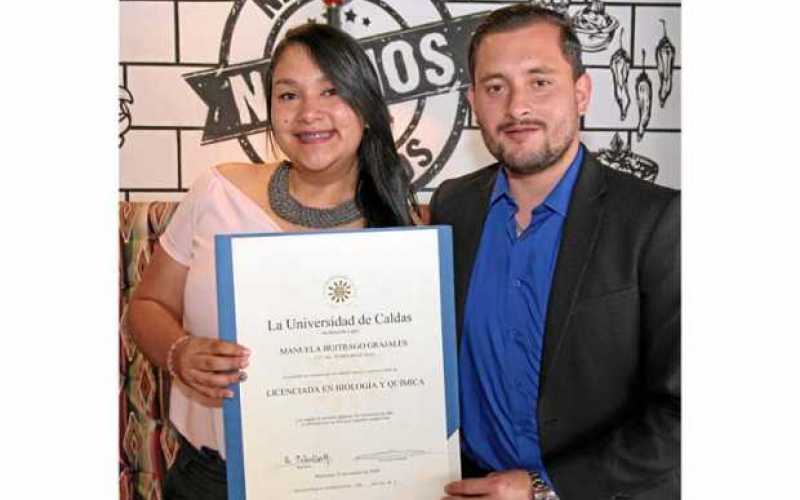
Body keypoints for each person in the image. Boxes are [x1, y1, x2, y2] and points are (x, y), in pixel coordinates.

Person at [128, 23, 416, 500]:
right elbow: (147, 304)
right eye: (288, 95)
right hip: (215, 477)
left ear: (366, 109)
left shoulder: (400, 229)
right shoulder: (217, 191)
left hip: (355, 479)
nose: (309, 113)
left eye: (332, 91)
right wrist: (179, 353)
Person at [432, 5, 679, 500]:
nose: (517, 107)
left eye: (540, 82)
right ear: (472, 101)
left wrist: (545, 487)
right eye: (495, 86)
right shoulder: (451, 205)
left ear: (581, 92)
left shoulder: (658, 221)